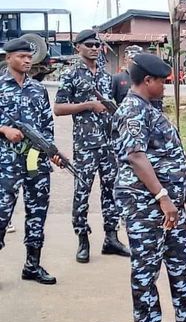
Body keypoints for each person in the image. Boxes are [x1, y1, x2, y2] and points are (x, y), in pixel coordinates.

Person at [111, 53, 186, 322]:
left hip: (170, 209)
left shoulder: (149, 107)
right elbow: (135, 156)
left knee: (180, 265)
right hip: (148, 208)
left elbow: (157, 153)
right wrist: (162, 197)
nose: (164, 86)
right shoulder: (132, 111)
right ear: (147, 80)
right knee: (147, 271)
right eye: (162, 82)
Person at [54, 29, 130, 263]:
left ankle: (111, 238)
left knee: (111, 191)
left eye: (97, 45)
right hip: (86, 145)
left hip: (108, 143)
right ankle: (82, 239)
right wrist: (87, 105)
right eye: (89, 45)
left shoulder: (107, 76)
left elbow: (114, 106)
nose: (95, 48)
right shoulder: (71, 75)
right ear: (78, 48)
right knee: (83, 192)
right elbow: (58, 108)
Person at [0, 38, 64, 284]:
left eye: (29, 57)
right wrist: (4, 129)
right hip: (6, 163)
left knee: (37, 213)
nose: (27, 60)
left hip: (35, 163)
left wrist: (52, 152)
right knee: (2, 214)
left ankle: (32, 266)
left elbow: (47, 127)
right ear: (9, 58)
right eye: (21, 56)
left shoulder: (38, 90)